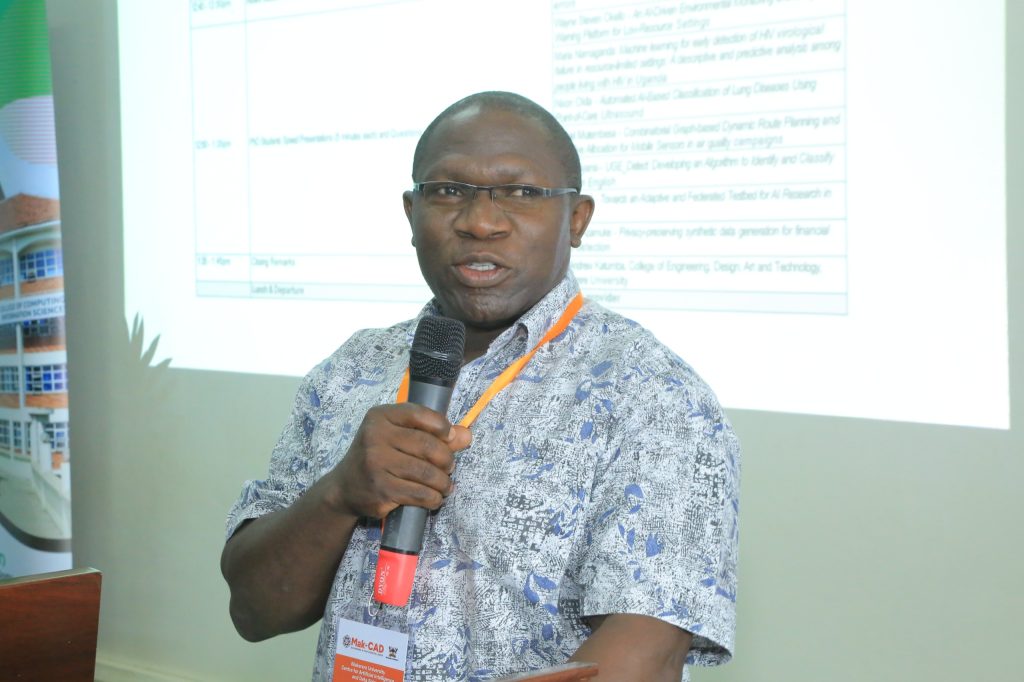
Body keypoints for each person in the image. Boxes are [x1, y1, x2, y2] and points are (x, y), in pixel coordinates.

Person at [221, 91, 740, 682]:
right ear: (411, 212)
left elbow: (643, 657)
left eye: (522, 193)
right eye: (448, 191)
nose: (480, 221)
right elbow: (254, 609)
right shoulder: (351, 369)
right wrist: (341, 492)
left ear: (577, 218)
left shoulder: (656, 395)